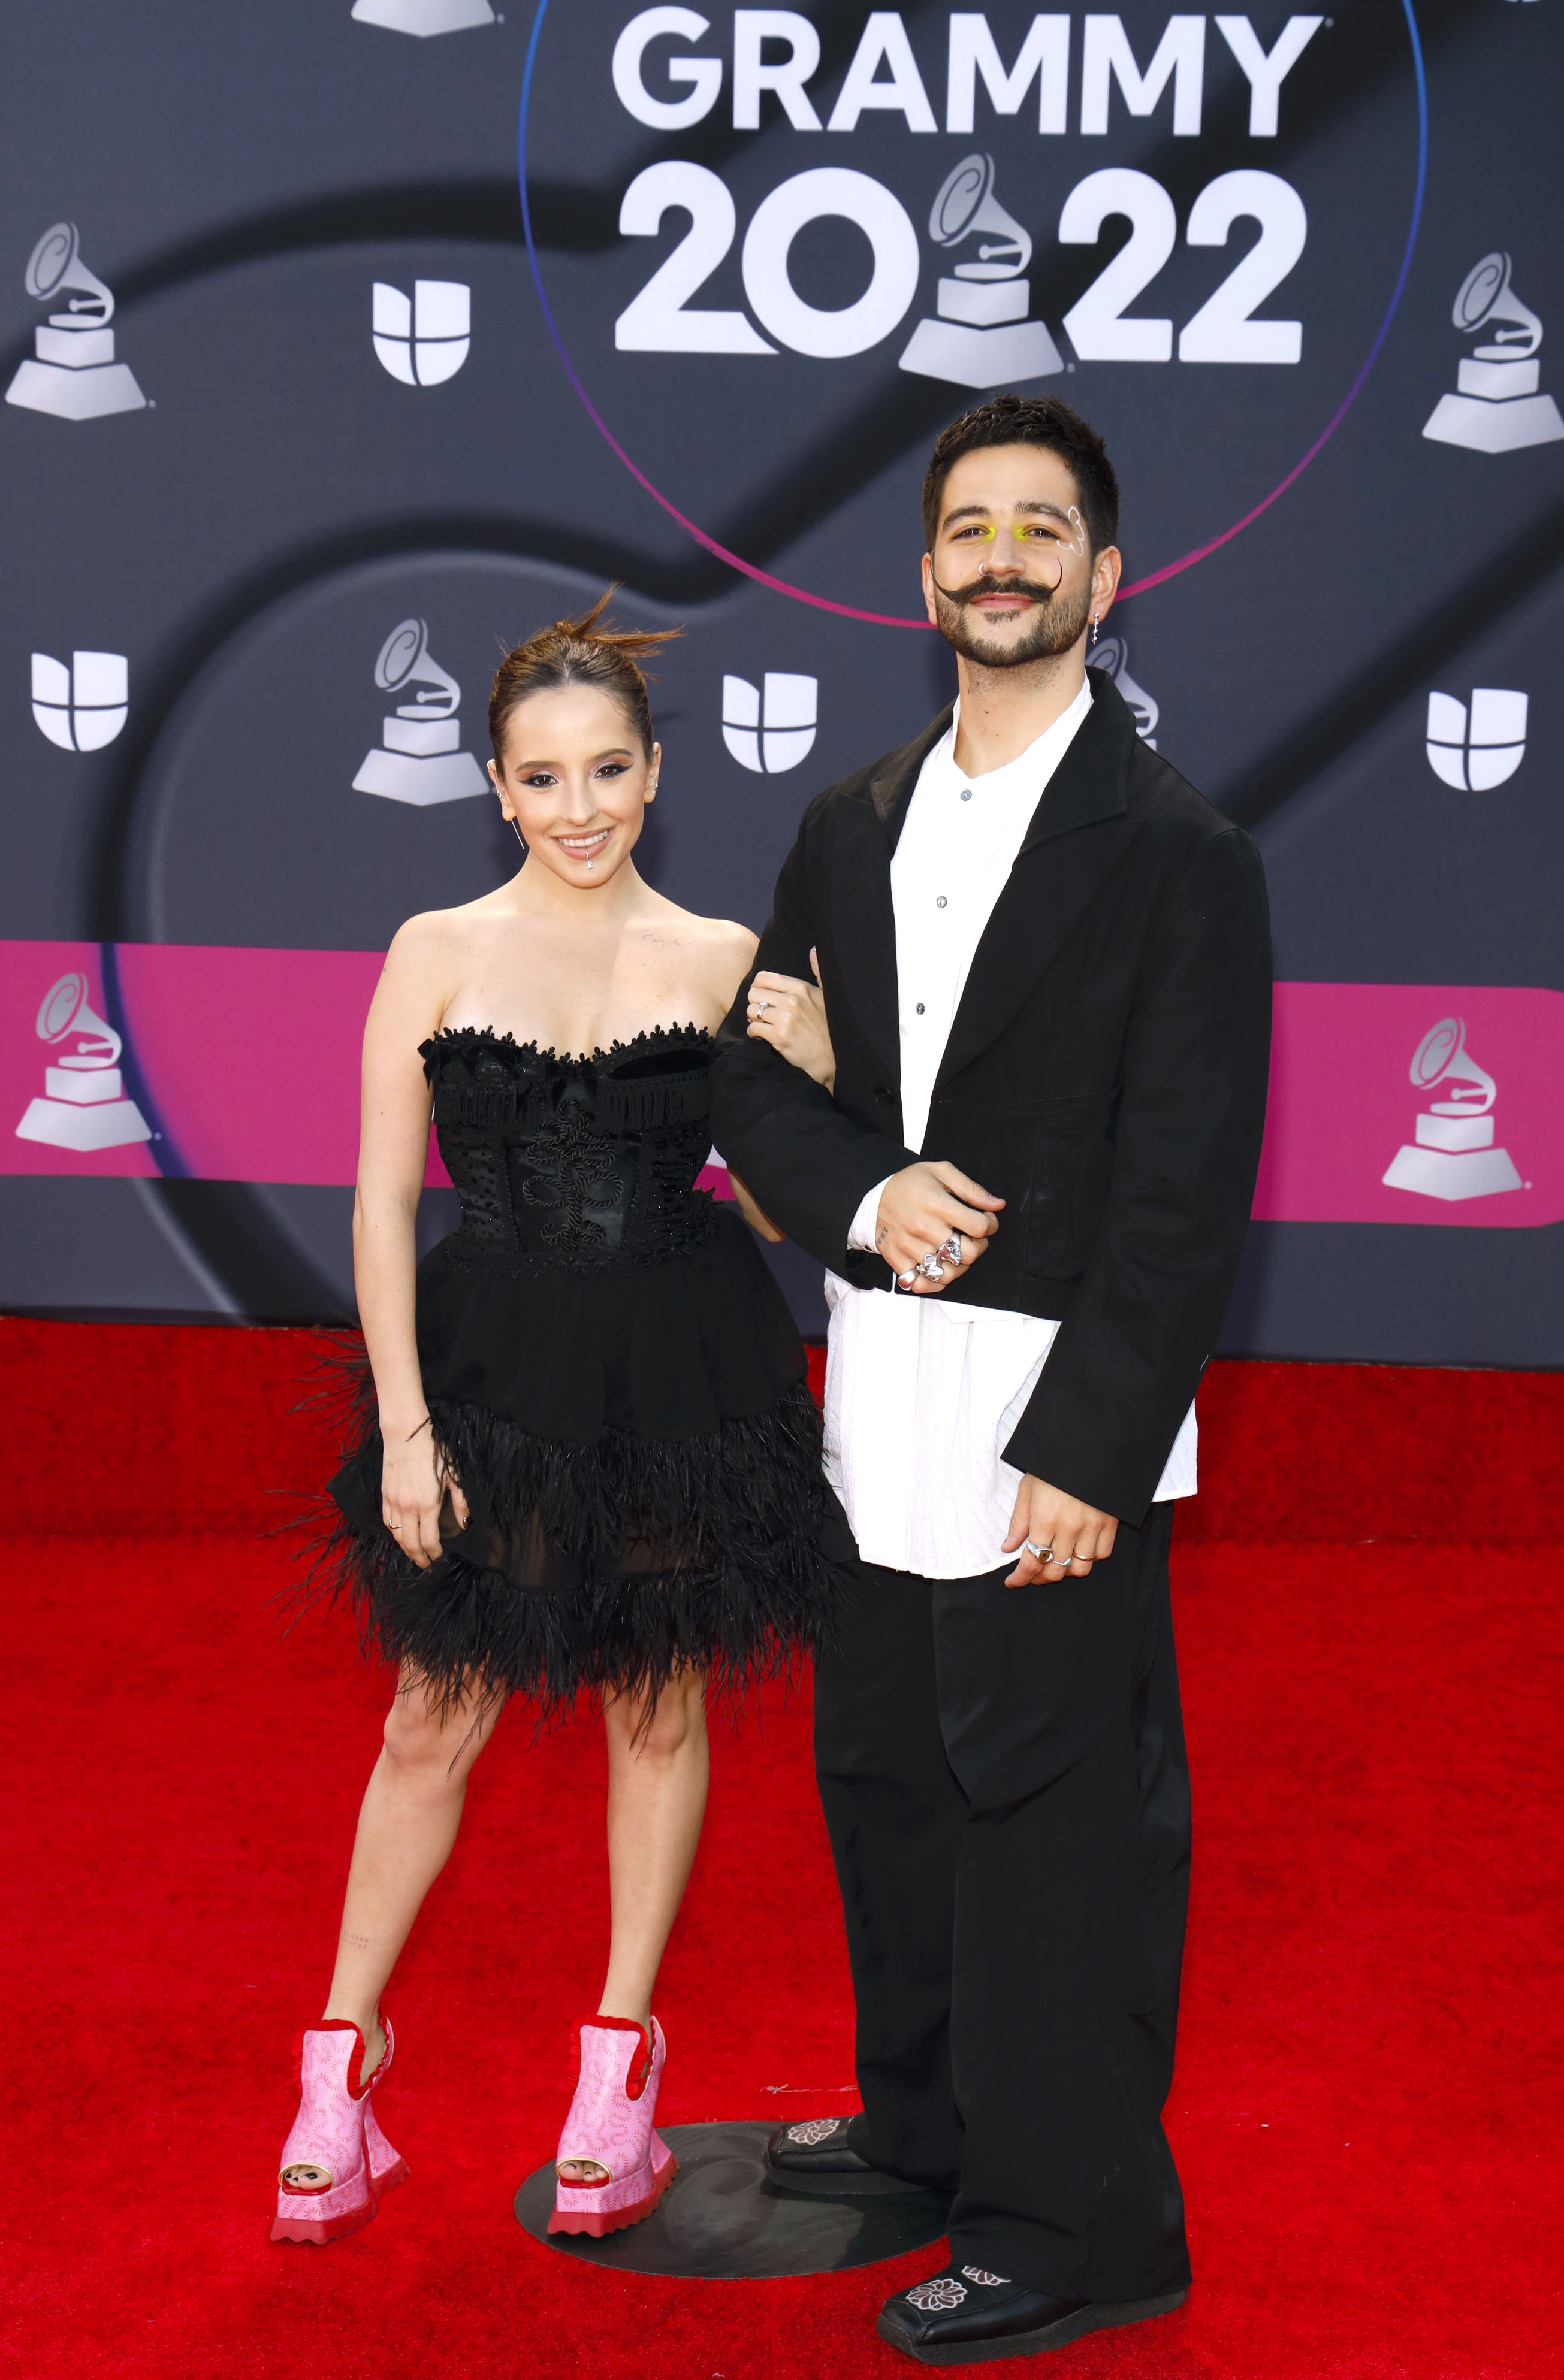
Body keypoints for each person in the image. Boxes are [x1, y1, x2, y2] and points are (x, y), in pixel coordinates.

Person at [711, 393, 1273, 2364]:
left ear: (1104, 582)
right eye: (970, 530)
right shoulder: (844, 822)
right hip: (876, 1402)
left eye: (1043, 529)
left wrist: (1092, 1453)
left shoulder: (1181, 855)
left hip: (1053, 1428)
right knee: (885, 1779)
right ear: (922, 576)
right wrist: (861, 1183)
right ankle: (928, 2129)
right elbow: (754, 1089)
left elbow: (1182, 1193)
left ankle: (1071, 2224)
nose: (1004, 558)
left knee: (1051, 1827)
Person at [272, 594, 837, 2249]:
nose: (579, 806)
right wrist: (400, 1426)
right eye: (543, 776)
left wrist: (818, 1064)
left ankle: (613, 2078)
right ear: (496, 788)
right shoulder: (434, 950)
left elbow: (793, 1222)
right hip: (492, 1372)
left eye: (607, 770)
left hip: (685, 1373)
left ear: (654, 773)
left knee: (657, 1709)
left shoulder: (725, 961)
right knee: (429, 1717)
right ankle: (335, 2069)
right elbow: (382, 1208)